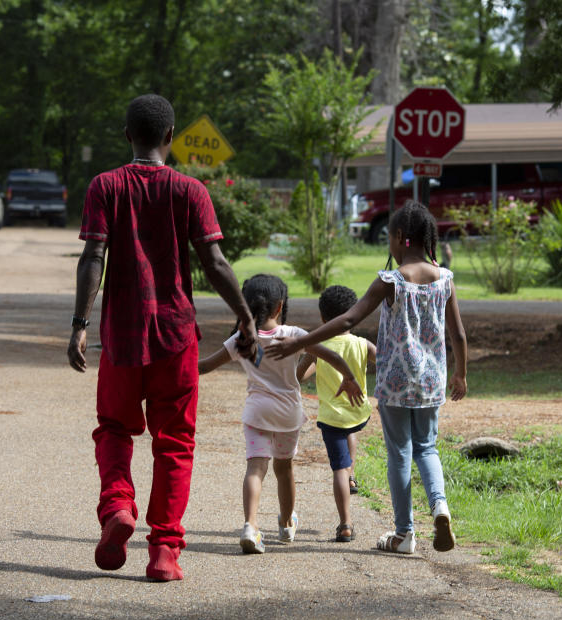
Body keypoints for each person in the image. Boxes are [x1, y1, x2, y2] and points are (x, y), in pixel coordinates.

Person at [67, 94, 258, 582]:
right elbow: (215, 263)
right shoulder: (190, 190)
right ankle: (164, 552)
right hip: (175, 335)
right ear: (170, 137)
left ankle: (116, 509)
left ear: (127, 134)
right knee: (174, 442)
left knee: (113, 428)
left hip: (121, 337)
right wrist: (245, 317)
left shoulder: (104, 186)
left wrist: (79, 325)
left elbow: (93, 257)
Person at [266, 200, 468, 555]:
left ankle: (404, 534)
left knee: (400, 453)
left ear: (401, 237)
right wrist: (461, 375)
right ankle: (440, 506)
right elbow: (459, 336)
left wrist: (302, 340)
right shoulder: (445, 280)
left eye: (390, 237)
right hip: (432, 381)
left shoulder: (390, 280)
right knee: (427, 447)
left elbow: (347, 320)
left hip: (394, 382)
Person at [198, 274, 364, 554]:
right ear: (279, 307)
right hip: (288, 414)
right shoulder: (295, 335)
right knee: (284, 469)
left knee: (256, 468)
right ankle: (287, 524)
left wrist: (174, 363)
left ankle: (250, 525)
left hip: (256, 413)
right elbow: (332, 357)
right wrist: (348, 377)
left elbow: (203, 366)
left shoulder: (240, 339)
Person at [295, 285, 375, 543]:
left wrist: (313, 363)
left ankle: (345, 524)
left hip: (331, 417)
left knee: (338, 469)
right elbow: (385, 363)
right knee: (351, 430)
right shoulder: (363, 344)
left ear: (322, 318)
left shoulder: (317, 346)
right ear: (354, 314)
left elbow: (299, 375)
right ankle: (351, 474)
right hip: (358, 411)